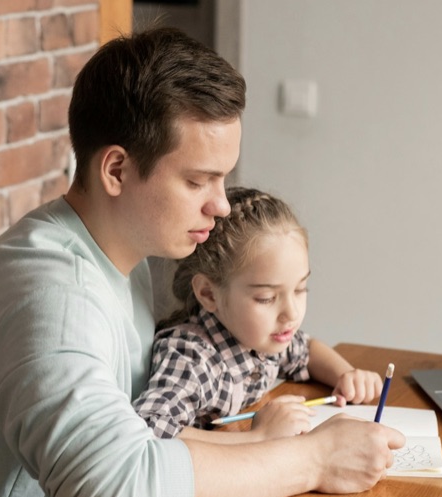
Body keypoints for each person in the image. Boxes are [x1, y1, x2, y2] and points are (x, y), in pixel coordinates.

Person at [0, 27, 403, 497]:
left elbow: (134, 436)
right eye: (197, 181)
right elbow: (118, 494)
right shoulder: (56, 295)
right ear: (117, 170)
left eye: (222, 179)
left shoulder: (113, 259)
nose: (220, 205)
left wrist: (263, 442)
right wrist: (312, 460)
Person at [134, 186, 383, 441]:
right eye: (267, 298)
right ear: (209, 294)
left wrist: (346, 375)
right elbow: (150, 432)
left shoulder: (261, 337)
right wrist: (257, 438)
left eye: (300, 289)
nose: (291, 313)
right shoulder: (192, 357)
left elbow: (306, 351)